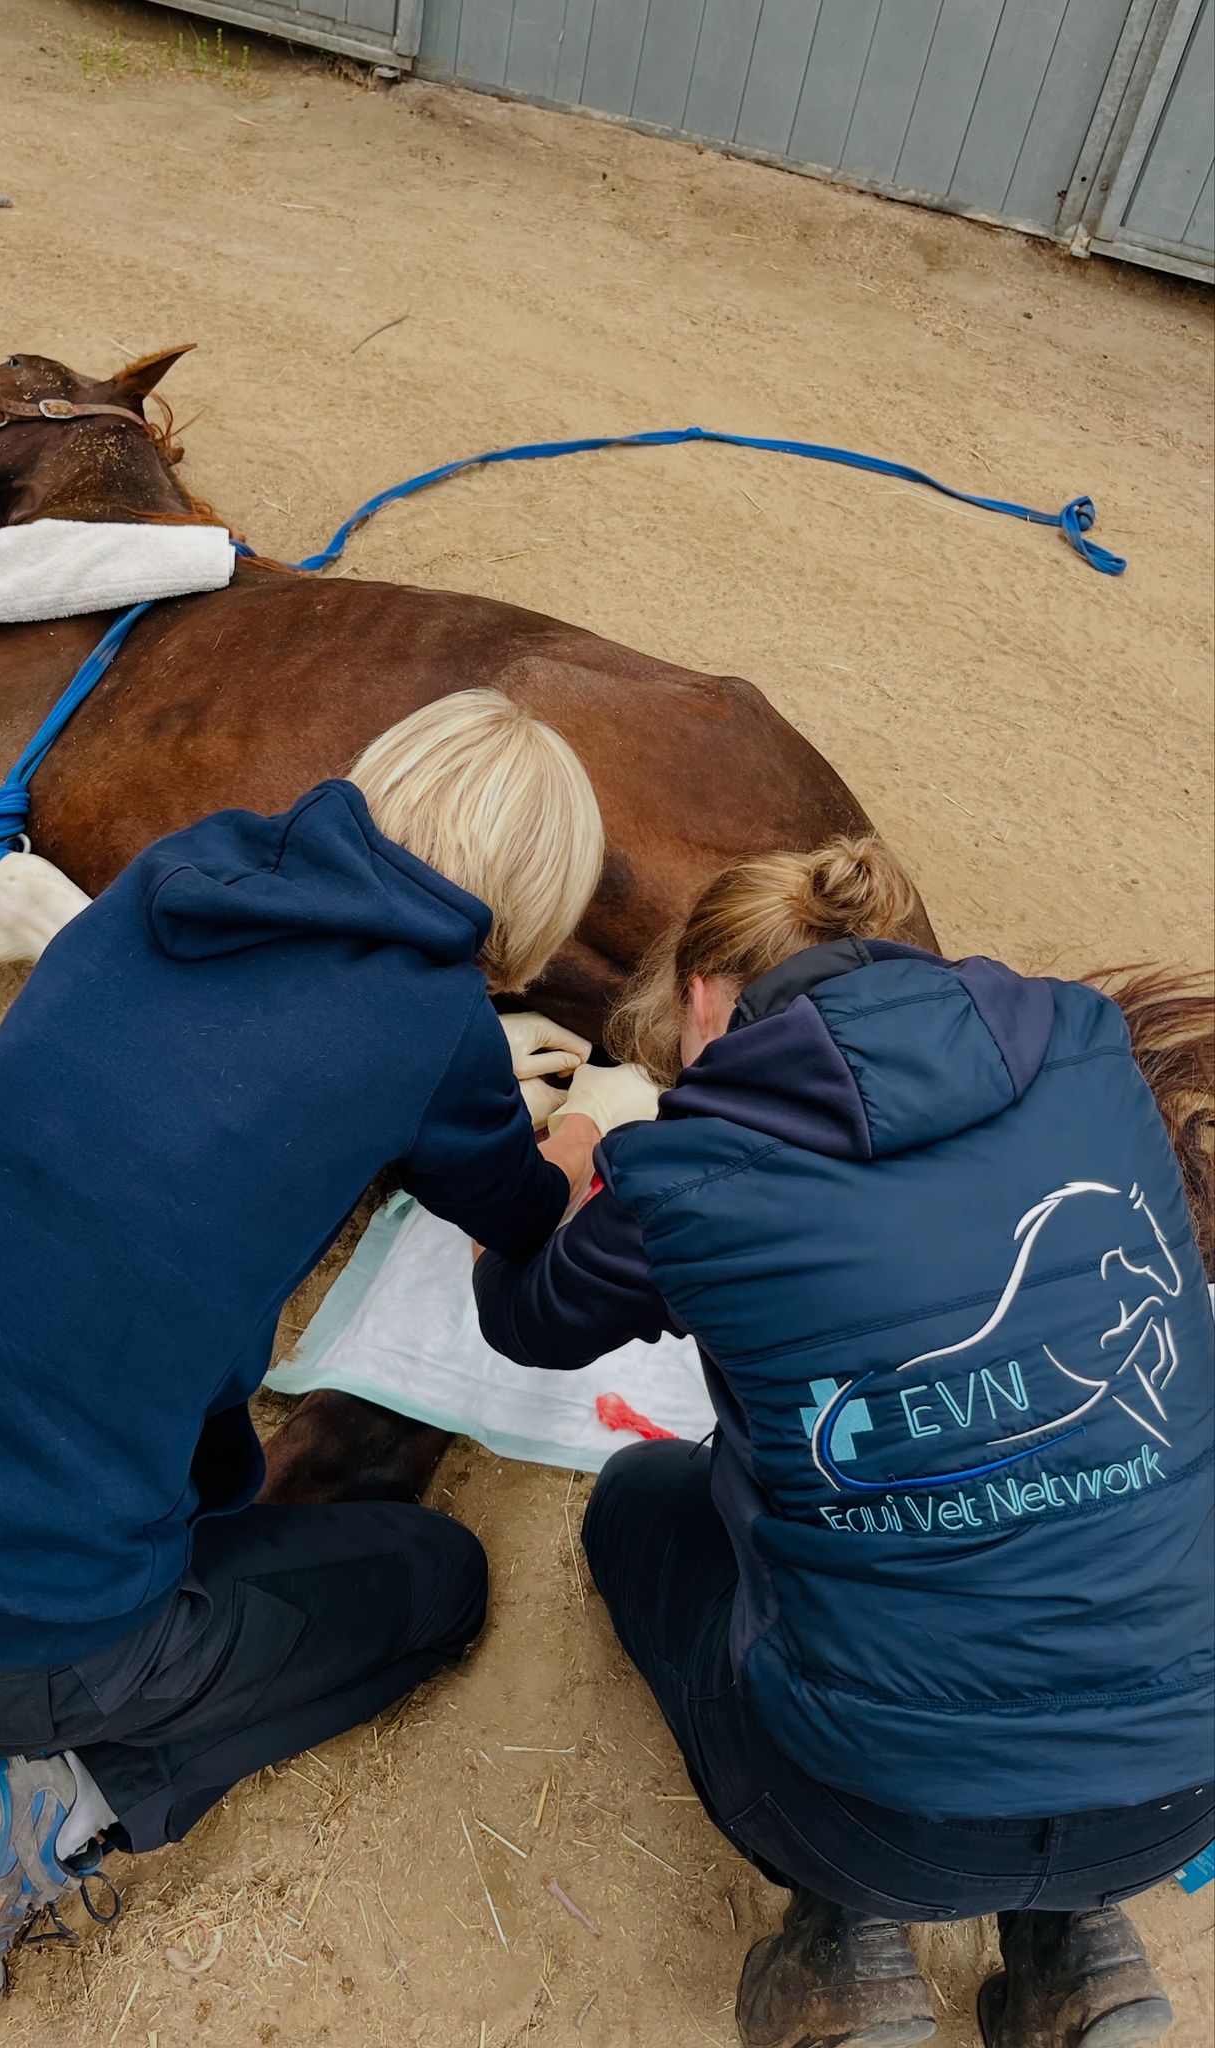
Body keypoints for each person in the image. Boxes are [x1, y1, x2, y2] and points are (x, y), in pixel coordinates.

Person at [0, 689, 642, 2040]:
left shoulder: (176, 877)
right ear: (529, 900)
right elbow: (526, 1223)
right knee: (435, 1585)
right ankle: (46, 1788)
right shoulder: (429, 1027)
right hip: (4, 1624)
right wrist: (589, 1126)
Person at [476, 836, 1214, 2048]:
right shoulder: (1092, 1048)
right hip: (1186, 1788)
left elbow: (522, 1315)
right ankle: (1078, 1941)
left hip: (875, 1819)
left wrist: (562, 1160)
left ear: (708, 994)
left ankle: (845, 1944)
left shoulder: (691, 1167)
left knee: (641, 1508)